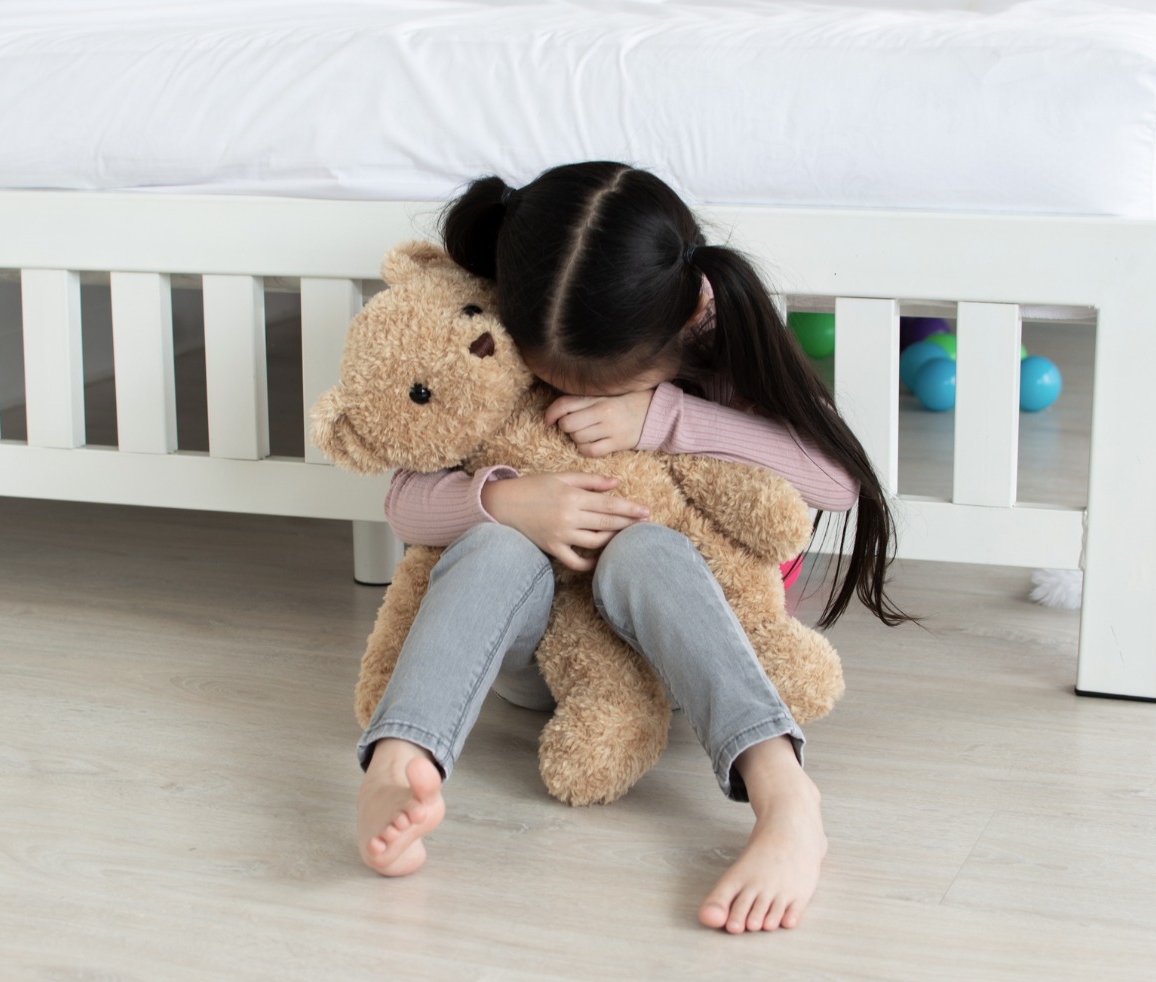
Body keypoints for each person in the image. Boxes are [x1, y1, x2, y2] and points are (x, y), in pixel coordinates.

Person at [354, 161, 909, 934]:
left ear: (684, 324)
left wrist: (663, 417)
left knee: (645, 549)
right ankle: (399, 758)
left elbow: (837, 482)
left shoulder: (720, 336)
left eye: (607, 386)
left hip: (680, 653)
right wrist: (507, 501)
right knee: (493, 550)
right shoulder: (490, 330)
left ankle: (784, 793)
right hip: (524, 658)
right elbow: (404, 503)